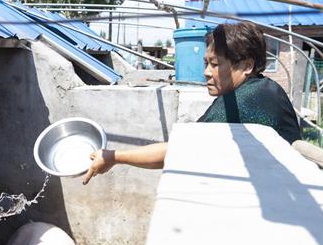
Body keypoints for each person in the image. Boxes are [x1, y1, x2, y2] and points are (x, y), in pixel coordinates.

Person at [82, 21, 302, 184]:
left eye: (215, 64)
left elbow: (180, 150)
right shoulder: (261, 88)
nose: (206, 72)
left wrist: (113, 156)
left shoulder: (248, 99)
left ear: (246, 66)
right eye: (206, 63)